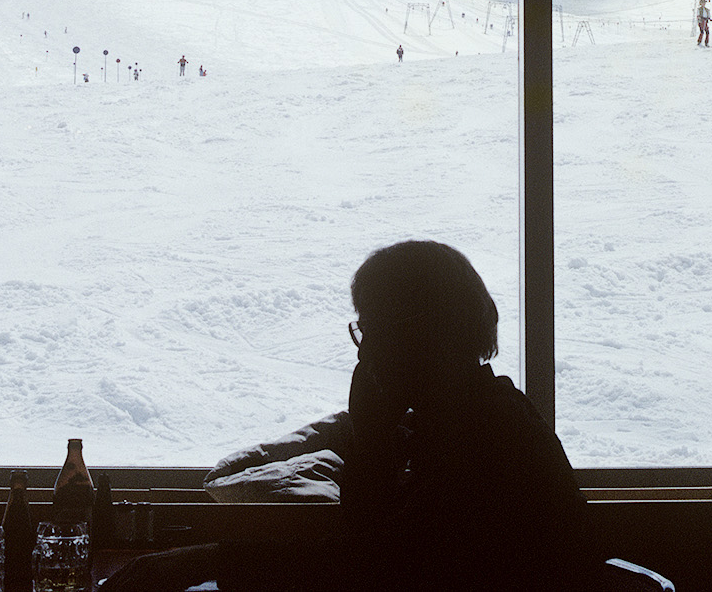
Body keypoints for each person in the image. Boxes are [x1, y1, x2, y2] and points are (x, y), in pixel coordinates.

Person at [102, 240, 603, 591]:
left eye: (373, 330)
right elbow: (375, 546)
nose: (364, 353)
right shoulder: (468, 416)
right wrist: (373, 436)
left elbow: (378, 565)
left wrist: (206, 559)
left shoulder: (484, 433)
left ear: (420, 334)